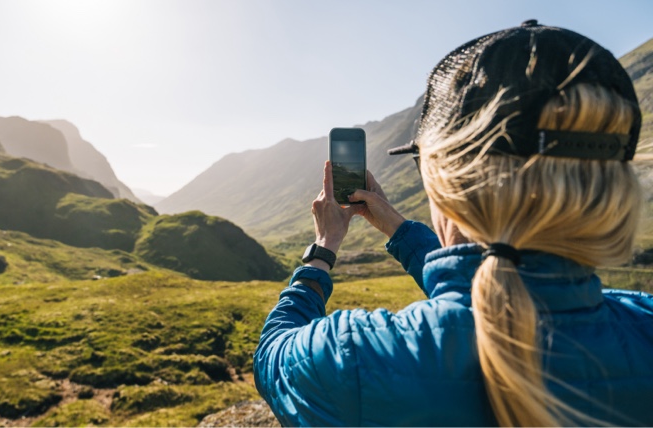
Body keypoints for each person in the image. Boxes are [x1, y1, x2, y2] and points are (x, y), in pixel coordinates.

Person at [254, 20, 653, 426]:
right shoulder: (644, 325)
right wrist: (400, 230)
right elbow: (500, 283)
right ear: (613, 188)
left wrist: (322, 249)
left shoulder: (353, 359)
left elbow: (272, 355)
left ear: (448, 184)